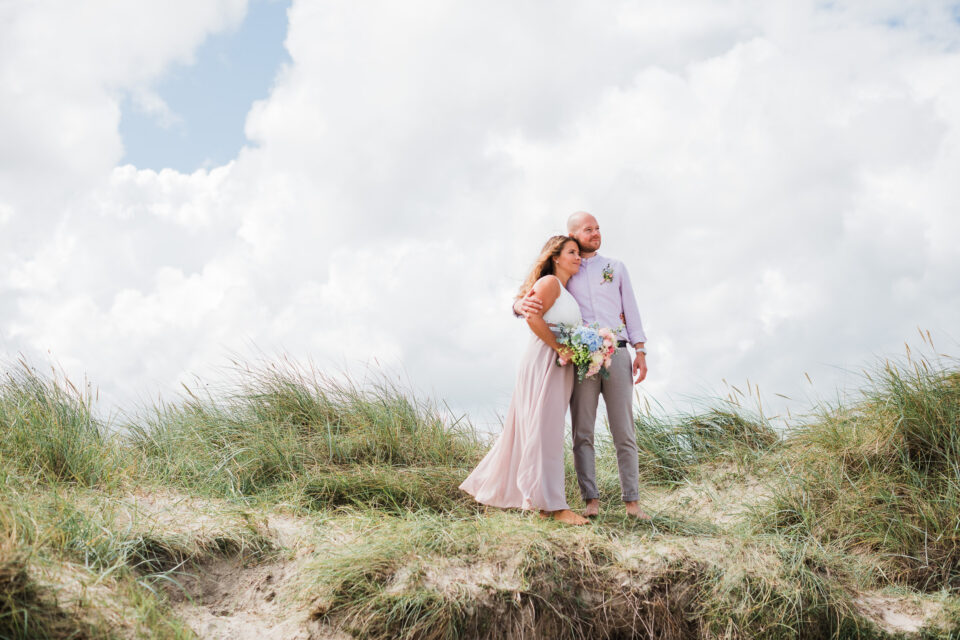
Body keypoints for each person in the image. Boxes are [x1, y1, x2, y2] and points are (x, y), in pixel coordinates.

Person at [515, 212, 649, 519]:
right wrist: (519, 304)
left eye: (598, 228)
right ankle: (591, 501)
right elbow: (530, 296)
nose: (596, 233)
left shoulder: (615, 268)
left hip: (618, 353)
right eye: (588, 229)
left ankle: (632, 503)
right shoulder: (567, 271)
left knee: (624, 431)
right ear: (573, 234)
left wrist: (640, 350)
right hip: (581, 358)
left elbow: (632, 309)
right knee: (582, 432)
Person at [460, 236, 589, 526]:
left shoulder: (567, 291)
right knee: (544, 428)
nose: (578, 257)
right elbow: (532, 317)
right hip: (547, 357)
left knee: (542, 429)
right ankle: (554, 506)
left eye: (579, 253)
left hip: (560, 360)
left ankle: (536, 501)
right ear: (555, 257)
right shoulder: (550, 284)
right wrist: (560, 349)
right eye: (572, 252)